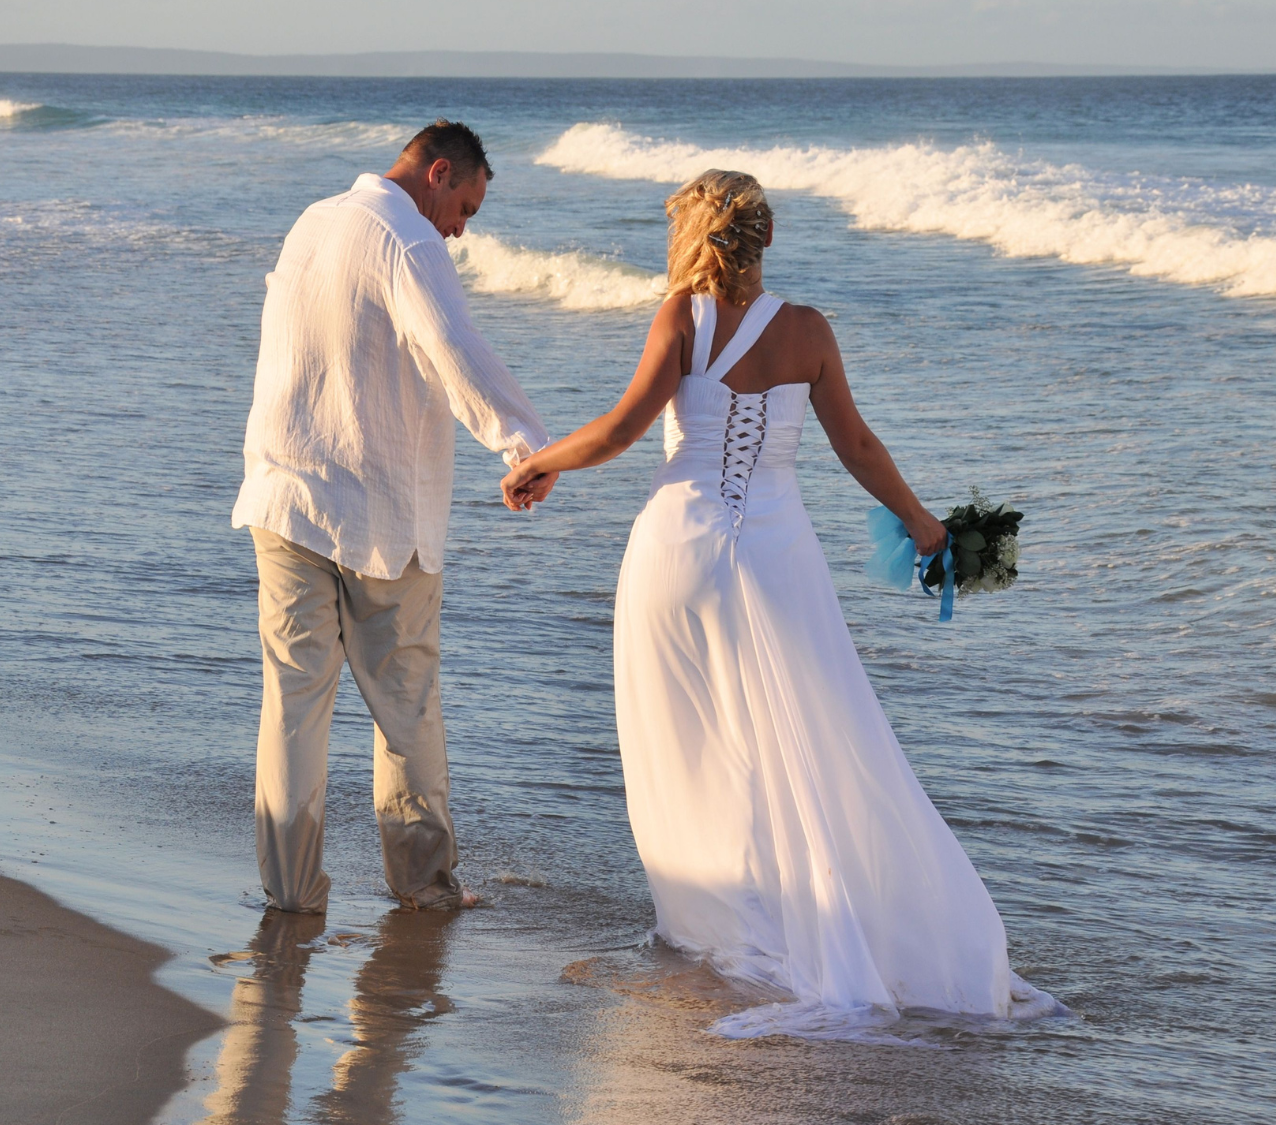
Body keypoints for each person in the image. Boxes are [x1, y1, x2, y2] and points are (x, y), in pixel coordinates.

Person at [501, 170, 1065, 1039]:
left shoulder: (680, 319)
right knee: (816, 738)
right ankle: (828, 920)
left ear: (695, 236)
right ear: (767, 238)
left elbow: (617, 431)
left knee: (693, 745)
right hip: (776, 553)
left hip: (676, 552)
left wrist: (540, 461)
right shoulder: (808, 331)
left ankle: (721, 927)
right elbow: (859, 445)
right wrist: (922, 524)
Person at [232, 120, 552, 915]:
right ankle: (423, 886)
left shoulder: (313, 220)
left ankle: (290, 892)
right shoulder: (408, 241)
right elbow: (454, 345)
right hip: (376, 511)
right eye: (466, 207)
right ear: (438, 174)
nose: (462, 227)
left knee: (293, 704)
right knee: (405, 706)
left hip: (282, 493)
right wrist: (525, 447)